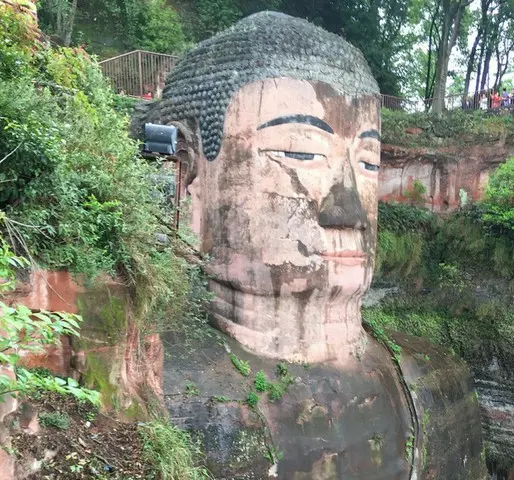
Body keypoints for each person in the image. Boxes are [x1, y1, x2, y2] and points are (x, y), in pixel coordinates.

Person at [140, 11, 485, 479]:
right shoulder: (155, 397)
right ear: (188, 178)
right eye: (301, 153)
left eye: (368, 163)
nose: (350, 212)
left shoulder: (438, 379)